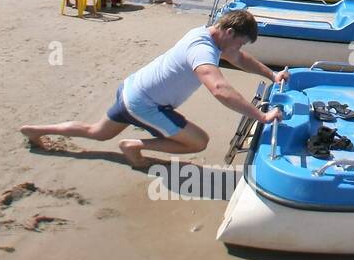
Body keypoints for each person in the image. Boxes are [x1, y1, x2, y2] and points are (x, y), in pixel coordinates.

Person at [19, 9, 288, 171]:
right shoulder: (202, 50)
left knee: (97, 133)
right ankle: (134, 147)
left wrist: (272, 75)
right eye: (240, 43)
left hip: (131, 89)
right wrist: (261, 116)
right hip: (146, 105)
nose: (240, 50)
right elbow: (219, 88)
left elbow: (239, 59)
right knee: (198, 141)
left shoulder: (205, 33)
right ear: (229, 33)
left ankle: (35, 130)